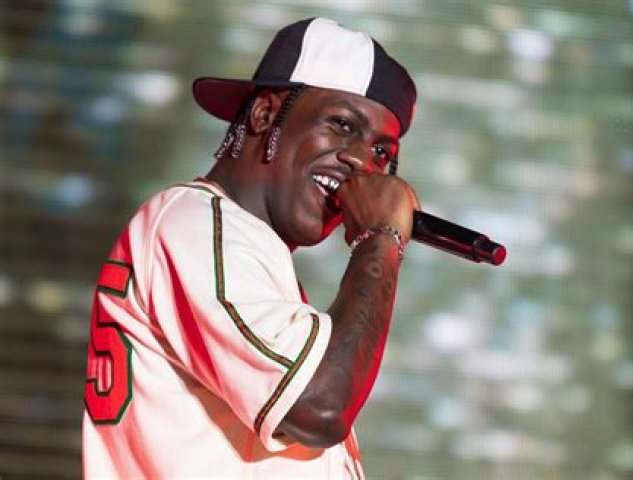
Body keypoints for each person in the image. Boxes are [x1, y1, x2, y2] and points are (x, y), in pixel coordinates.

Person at [82, 17, 419, 478]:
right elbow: (317, 407)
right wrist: (381, 238)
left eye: (382, 153)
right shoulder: (195, 224)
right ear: (264, 115)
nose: (362, 162)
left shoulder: (236, 247)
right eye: (342, 124)